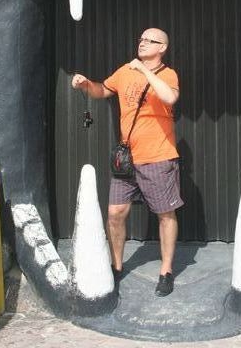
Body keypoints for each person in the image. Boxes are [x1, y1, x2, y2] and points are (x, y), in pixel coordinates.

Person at [71, 27, 183, 297]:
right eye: (141, 39)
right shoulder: (124, 71)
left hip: (158, 156)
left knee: (165, 214)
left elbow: (170, 97)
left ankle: (166, 271)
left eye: (149, 40)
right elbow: (102, 90)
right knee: (115, 213)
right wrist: (86, 84)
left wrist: (144, 70)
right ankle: (117, 266)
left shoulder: (168, 74)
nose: (142, 43)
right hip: (127, 159)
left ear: (162, 48)